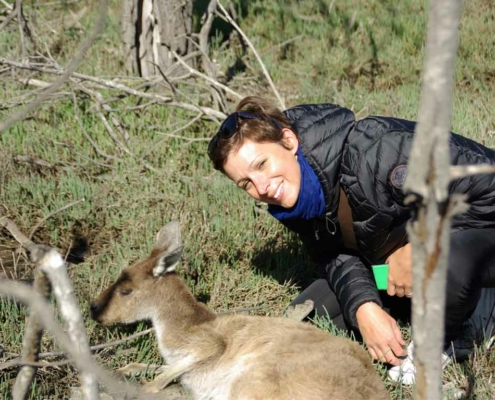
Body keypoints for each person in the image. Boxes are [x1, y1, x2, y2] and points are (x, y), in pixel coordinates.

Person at [207, 96, 495, 384]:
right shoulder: (295, 198)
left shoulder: (379, 150)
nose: (262, 187)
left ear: (289, 141)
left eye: (261, 164)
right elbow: (332, 255)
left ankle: (466, 328)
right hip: (398, 269)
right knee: (314, 311)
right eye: (246, 184)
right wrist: (364, 306)